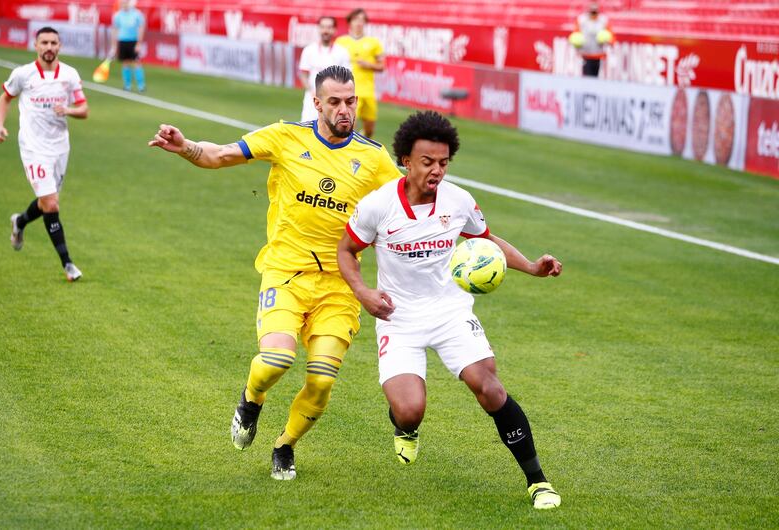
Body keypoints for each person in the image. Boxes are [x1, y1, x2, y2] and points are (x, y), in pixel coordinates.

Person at [148, 65, 401, 480]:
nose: (344, 109)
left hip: (339, 286)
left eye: (350, 101)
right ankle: (251, 399)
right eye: (334, 102)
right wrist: (187, 146)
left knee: (321, 382)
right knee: (277, 359)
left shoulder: (373, 158)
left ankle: (284, 445)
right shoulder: (286, 136)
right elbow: (222, 154)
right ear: (317, 103)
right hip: (285, 273)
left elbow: (406, 203)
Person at [337, 111, 563, 510]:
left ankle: (537, 481)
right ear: (405, 160)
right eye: (427, 162)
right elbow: (346, 251)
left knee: (489, 387)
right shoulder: (377, 206)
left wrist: (531, 266)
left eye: (443, 162)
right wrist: (363, 293)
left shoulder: (458, 201)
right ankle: (404, 428)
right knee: (409, 410)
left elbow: (486, 240)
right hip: (399, 318)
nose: (437, 170)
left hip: (450, 311)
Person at [0, 26, 88, 282]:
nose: (49, 47)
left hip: (60, 147)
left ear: (59, 46)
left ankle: (20, 222)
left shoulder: (69, 74)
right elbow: (5, 97)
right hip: (33, 147)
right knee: (52, 203)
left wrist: (67, 110)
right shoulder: (23, 74)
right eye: (44, 42)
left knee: (48, 202)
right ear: (36, 45)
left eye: (53, 43)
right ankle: (68, 264)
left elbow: (84, 109)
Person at [335, 8, 384, 138]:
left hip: (368, 91)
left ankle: (360, 143)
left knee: (369, 130)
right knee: (350, 125)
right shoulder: (341, 42)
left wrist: (369, 65)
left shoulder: (373, 43)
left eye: (362, 20)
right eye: (356, 19)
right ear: (349, 22)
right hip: (350, 90)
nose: (359, 23)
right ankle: (346, 150)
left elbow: (382, 66)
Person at [298, 16, 351, 122]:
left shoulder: (342, 52)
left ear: (335, 30)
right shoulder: (309, 50)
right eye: (322, 27)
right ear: (318, 29)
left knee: (331, 134)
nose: (325, 31)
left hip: (334, 101)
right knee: (307, 130)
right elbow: (303, 74)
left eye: (329, 27)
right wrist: (311, 91)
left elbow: (347, 78)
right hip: (312, 100)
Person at [110, 0, 146, 92]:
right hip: (122, 41)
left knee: (137, 62)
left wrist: (139, 43)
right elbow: (115, 30)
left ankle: (141, 86)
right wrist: (114, 46)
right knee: (125, 62)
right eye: (122, 3)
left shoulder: (137, 14)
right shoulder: (117, 15)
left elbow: (141, 28)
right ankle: (127, 85)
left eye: (125, 2)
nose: (124, 4)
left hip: (133, 41)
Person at [574, 1, 613, 77]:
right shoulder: (582, 20)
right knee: (588, 77)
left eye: (595, 12)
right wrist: (577, 44)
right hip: (586, 54)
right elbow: (576, 34)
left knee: (596, 77)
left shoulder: (603, 20)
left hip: (599, 55)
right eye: (592, 12)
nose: (593, 14)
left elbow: (611, 37)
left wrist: (607, 40)